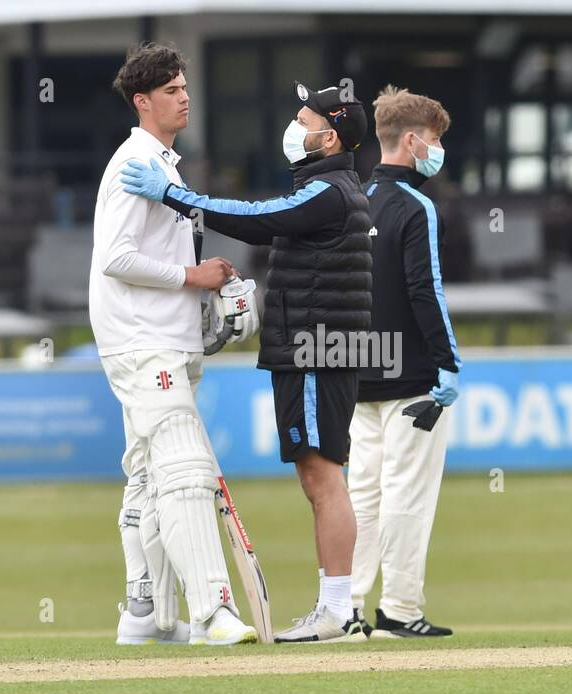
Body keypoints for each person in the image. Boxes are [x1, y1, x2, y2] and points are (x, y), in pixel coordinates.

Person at [120, 81, 372, 643]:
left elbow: (255, 218)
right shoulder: (330, 186)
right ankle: (337, 607)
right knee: (320, 473)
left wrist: (174, 195)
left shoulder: (328, 190)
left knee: (324, 474)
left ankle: (337, 609)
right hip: (316, 344)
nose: (294, 128)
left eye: (304, 119)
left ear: (328, 137)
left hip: (316, 348)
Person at [91, 42, 258, 646]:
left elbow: (154, 254)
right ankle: (213, 612)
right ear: (142, 101)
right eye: (171, 90)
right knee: (186, 469)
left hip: (164, 337)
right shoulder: (137, 162)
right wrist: (193, 279)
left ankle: (147, 617)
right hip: (143, 341)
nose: (184, 97)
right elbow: (116, 259)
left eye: (185, 87)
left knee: (147, 476)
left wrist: (203, 309)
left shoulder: (166, 164)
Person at [348, 86, 460, 639]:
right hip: (414, 378)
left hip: (356, 373)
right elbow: (426, 290)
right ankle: (399, 610)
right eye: (435, 141)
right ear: (413, 141)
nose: (439, 151)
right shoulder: (416, 205)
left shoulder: (353, 197)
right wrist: (449, 364)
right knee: (406, 496)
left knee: (362, 496)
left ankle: (342, 609)